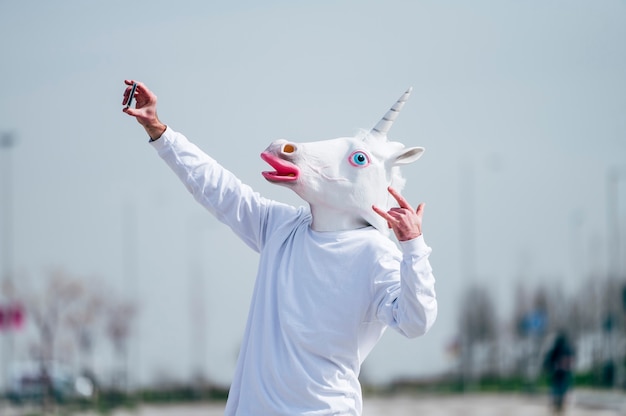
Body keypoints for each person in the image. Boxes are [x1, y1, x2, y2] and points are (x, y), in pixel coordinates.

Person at [121, 80, 437, 415]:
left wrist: (413, 249)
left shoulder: (375, 254)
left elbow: (415, 322)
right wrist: (160, 131)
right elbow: (220, 190)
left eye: (357, 159)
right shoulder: (282, 228)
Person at [543, 331, 575, 414]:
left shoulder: (555, 348)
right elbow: (571, 359)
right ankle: (560, 402)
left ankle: (556, 402)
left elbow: (549, 359)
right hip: (564, 372)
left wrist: (548, 367)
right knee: (563, 387)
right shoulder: (568, 349)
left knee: (556, 388)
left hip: (557, 372)